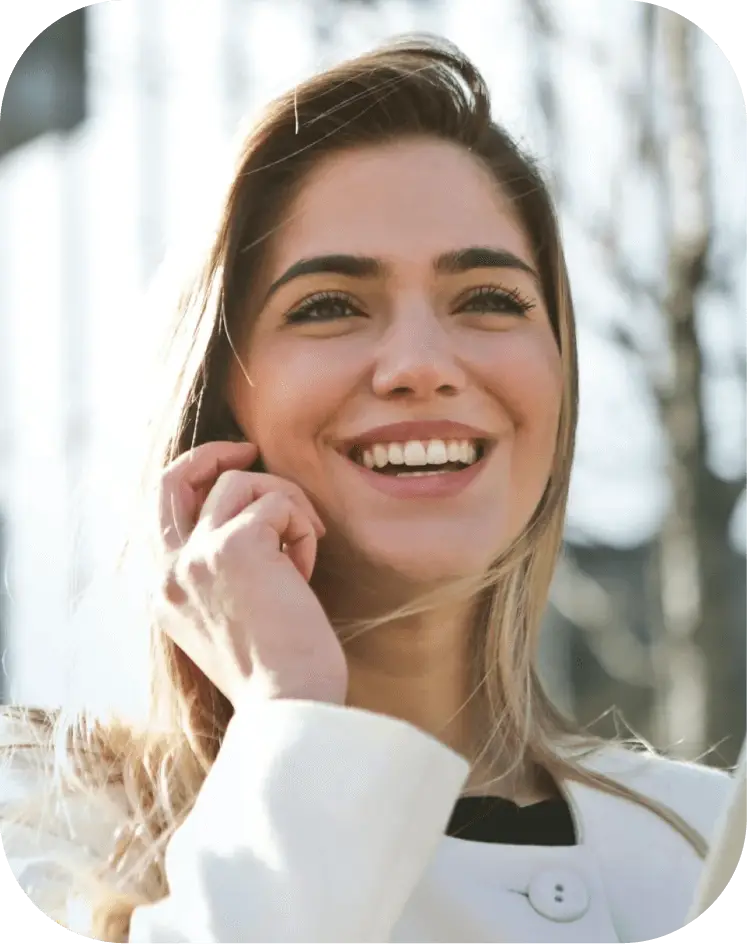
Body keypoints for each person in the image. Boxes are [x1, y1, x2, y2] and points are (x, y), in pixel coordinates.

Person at [0, 33, 737, 944]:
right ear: (218, 402)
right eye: (329, 306)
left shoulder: (703, 839)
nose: (422, 366)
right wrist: (293, 718)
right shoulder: (46, 836)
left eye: (489, 298)